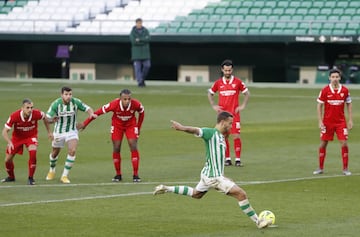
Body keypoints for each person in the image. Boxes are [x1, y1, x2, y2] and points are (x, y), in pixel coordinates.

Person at [153, 112, 272, 229]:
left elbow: (217, 160)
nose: (231, 126)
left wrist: (223, 176)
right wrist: (182, 128)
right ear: (223, 122)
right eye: (230, 123)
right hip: (213, 177)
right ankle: (258, 221)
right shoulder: (211, 133)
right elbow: (196, 130)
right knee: (241, 194)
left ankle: (166, 188)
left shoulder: (221, 137)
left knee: (196, 194)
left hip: (208, 174)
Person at [79, 89, 145, 182]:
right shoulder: (114, 104)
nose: (127, 101)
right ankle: (118, 174)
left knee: (133, 145)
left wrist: (138, 127)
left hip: (131, 125)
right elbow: (97, 113)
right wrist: (85, 123)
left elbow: (142, 112)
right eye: (125, 99)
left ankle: (135, 175)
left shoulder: (136, 104)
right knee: (116, 147)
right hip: (117, 126)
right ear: (120, 99)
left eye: (129, 99)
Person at [45, 86, 96, 184]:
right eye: (66, 94)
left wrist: (91, 114)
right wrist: (52, 123)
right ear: (61, 95)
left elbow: (88, 108)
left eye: (70, 94)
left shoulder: (75, 102)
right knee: (55, 153)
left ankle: (64, 175)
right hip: (59, 132)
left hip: (72, 131)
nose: (68, 96)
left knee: (72, 150)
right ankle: (52, 170)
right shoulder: (56, 104)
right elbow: (47, 119)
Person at [208, 59, 250, 167]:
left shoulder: (238, 82)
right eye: (226, 70)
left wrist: (243, 106)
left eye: (229, 70)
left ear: (232, 70)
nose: (228, 72)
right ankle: (227, 159)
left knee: (236, 136)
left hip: (234, 115)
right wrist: (213, 105)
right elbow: (210, 93)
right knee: (224, 136)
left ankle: (237, 159)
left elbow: (247, 93)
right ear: (222, 70)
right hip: (222, 115)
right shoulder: (218, 83)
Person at [1, 99, 52, 185]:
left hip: (30, 137)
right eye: (27, 108)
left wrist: (49, 132)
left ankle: (31, 178)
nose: (30, 110)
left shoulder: (36, 113)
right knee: (7, 160)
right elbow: (4, 132)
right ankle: (11, 177)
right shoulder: (14, 116)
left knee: (33, 152)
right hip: (17, 138)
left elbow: (45, 118)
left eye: (31, 107)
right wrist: (9, 142)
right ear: (22, 108)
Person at [313, 68, 353, 176]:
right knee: (323, 144)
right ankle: (320, 168)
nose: (335, 79)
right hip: (327, 122)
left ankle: (345, 168)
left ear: (340, 78)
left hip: (341, 122)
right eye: (333, 77)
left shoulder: (345, 90)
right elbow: (319, 105)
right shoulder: (325, 90)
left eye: (337, 77)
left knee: (344, 143)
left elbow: (349, 104)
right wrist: (320, 121)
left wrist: (350, 119)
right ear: (329, 78)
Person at [129, 18, 151, 87]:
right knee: (137, 69)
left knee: (147, 66)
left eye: (140, 23)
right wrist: (143, 41)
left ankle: (142, 79)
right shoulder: (133, 32)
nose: (139, 24)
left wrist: (140, 40)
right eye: (138, 23)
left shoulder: (146, 30)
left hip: (145, 53)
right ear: (136, 24)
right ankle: (140, 82)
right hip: (136, 54)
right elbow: (133, 41)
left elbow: (148, 39)